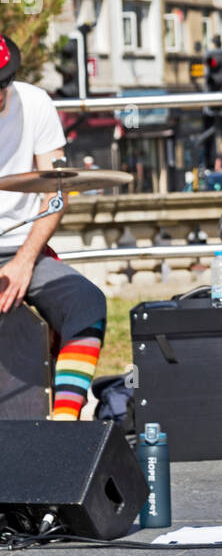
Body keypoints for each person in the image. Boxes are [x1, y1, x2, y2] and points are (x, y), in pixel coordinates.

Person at [0, 35, 107, 419]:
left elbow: (55, 194)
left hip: (22, 249)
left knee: (87, 302)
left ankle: (64, 425)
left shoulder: (35, 103)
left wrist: (25, 261)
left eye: (2, 83)